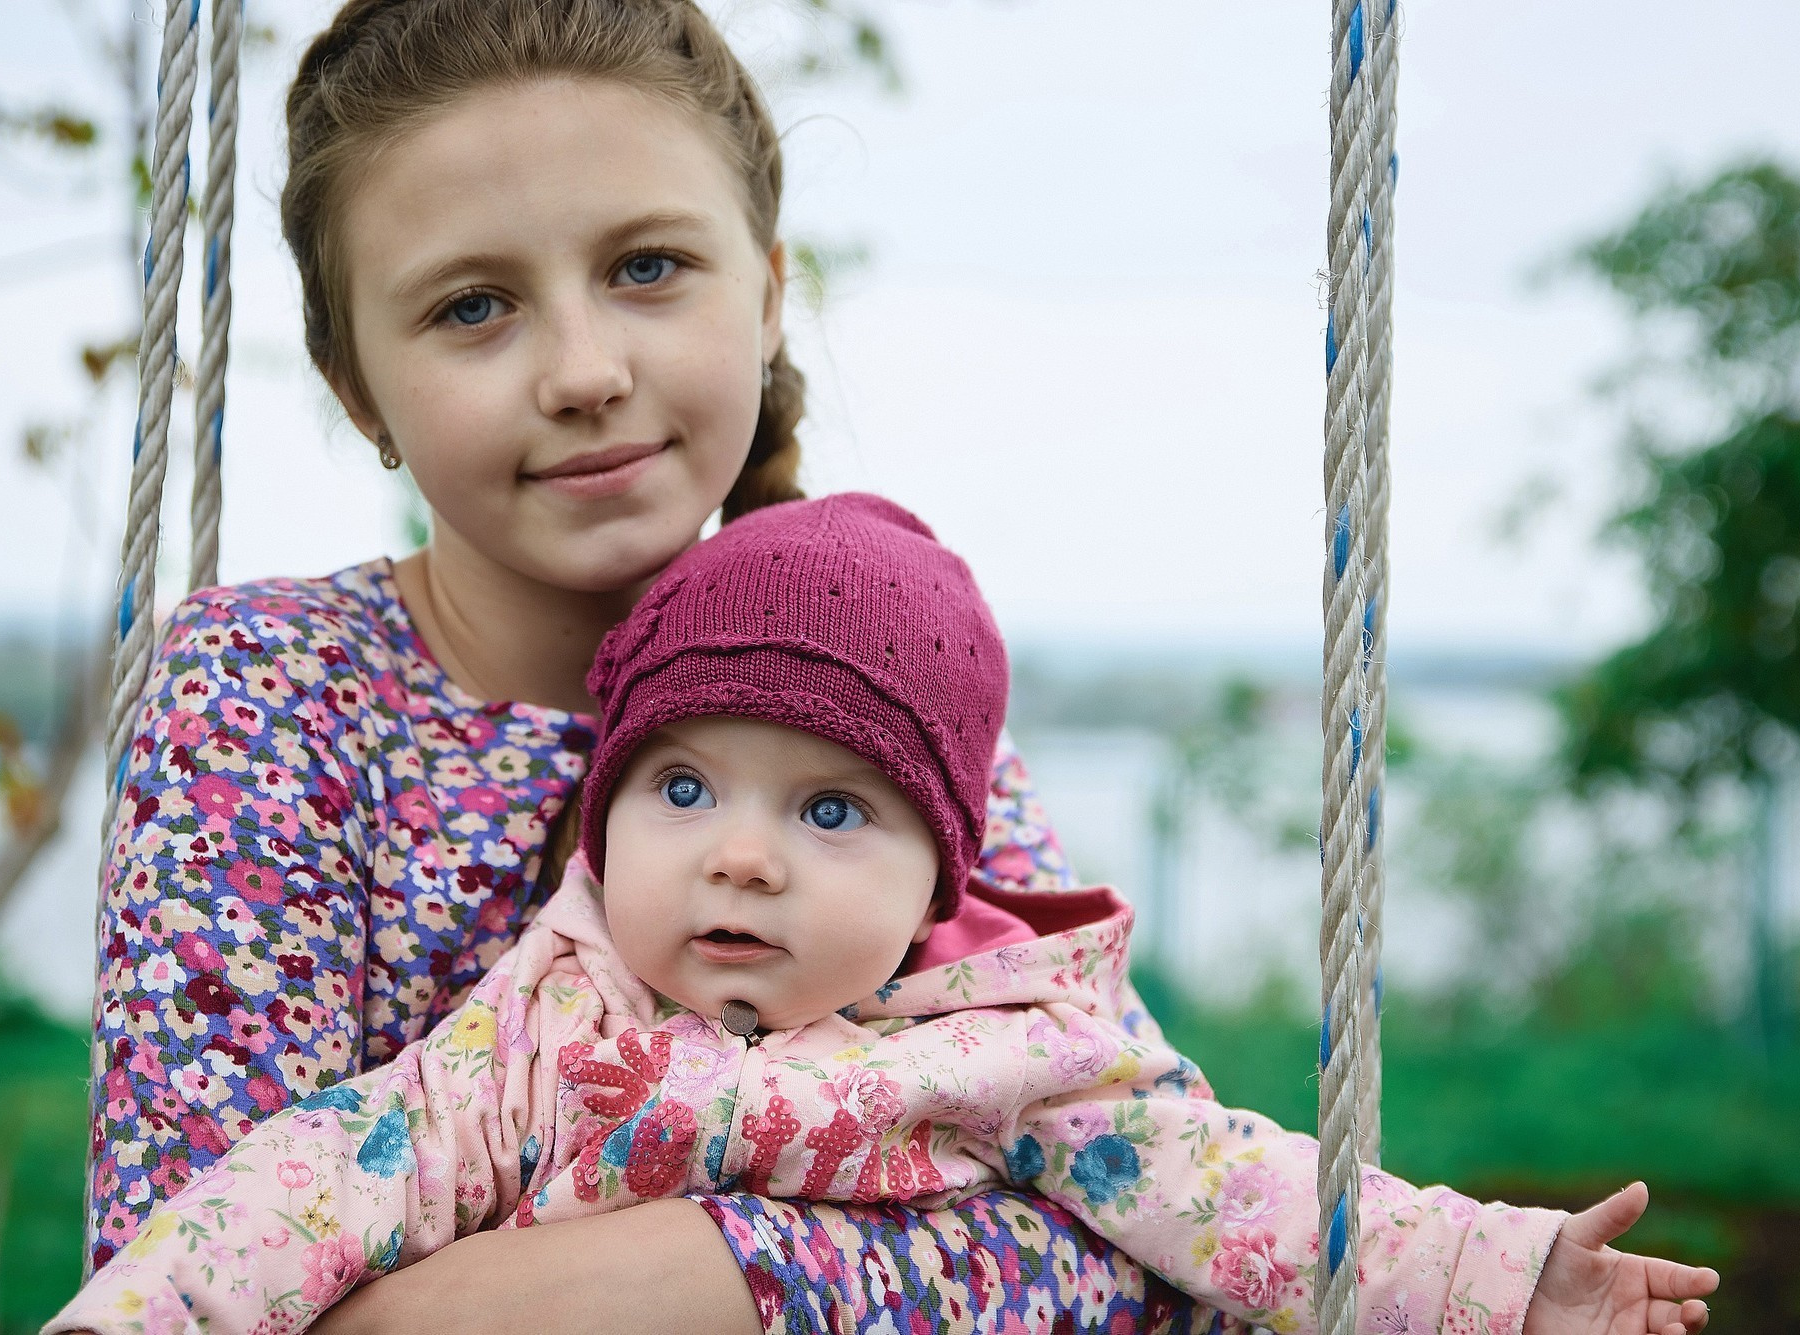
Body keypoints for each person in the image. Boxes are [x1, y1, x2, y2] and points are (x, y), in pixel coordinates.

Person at [89, 2, 1230, 1331]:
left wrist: (692, 1277)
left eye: (645, 269)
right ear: (357, 389)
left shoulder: (870, 681)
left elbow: (1160, 1222)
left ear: (766, 293)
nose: (584, 371)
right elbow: (179, 1274)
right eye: (473, 305)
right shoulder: (274, 696)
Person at [59, 494, 1718, 1335]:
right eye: (684, 789)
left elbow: (1242, 1196)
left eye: (831, 811)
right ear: (609, 808)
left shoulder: (1003, 1051)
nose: (743, 857)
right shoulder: (544, 1023)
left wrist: (1496, 1279)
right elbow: (302, 1187)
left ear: (943, 870)